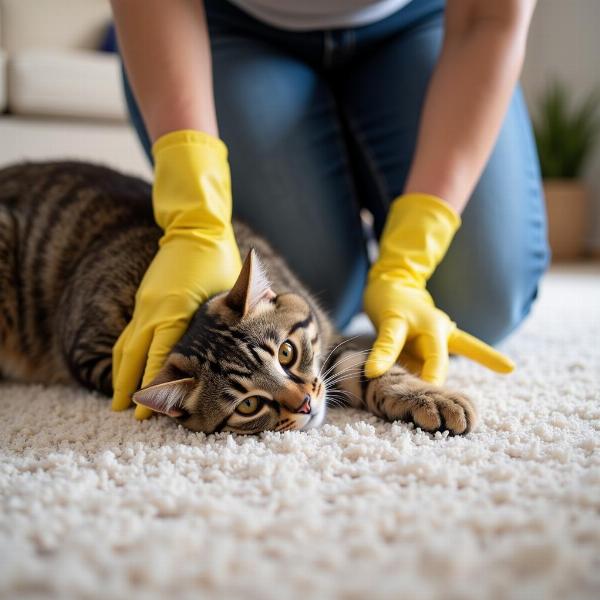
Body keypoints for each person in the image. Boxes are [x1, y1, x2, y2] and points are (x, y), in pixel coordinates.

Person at [110, 0, 549, 420]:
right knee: (319, 297)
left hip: (423, 19)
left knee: (480, 303)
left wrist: (408, 261)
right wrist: (194, 219)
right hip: (224, 27)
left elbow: (490, 17)